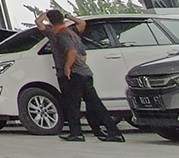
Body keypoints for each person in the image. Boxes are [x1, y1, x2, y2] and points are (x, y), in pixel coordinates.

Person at [35, 9, 123, 143]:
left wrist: (67, 67)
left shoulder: (61, 35)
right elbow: (83, 52)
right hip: (84, 73)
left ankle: (76, 133)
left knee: (71, 104)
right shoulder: (72, 33)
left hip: (72, 74)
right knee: (95, 103)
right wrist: (67, 16)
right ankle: (113, 132)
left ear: (51, 22)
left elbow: (72, 52)